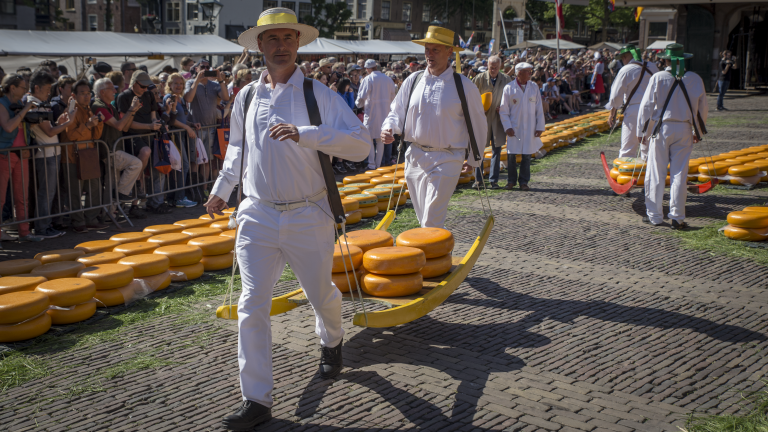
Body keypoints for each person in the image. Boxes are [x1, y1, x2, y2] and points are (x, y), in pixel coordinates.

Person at [204, 8, 370, 430]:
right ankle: (256, 398)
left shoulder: (319, 95)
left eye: (288, 38)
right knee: (251, 304)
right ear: (259, 45)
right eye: (272, 38)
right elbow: (238, 149)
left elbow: (361, 145)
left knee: (321, 295)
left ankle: (332, 340)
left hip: (307, 214)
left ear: (298, 44)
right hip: (256, 214)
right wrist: (221, 190)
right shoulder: (245, 95)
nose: (281, 46)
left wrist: (307, 133)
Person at [381, 26, 486, 228]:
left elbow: (478, 123)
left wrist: (474, 158)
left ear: (449, 52)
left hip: (448, 157)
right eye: (427, 49)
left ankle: (429, 256)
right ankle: (438, 252)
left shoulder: (464, 86)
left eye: (435, 50)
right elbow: (397, 111)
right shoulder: (413, 80)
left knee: (431, 216)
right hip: (415, 157)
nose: (429, 54)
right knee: (424, 217)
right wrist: (389, 128)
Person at [637, 43, 708, 229]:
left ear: (665, 60)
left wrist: (641, 132)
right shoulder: (695, 78)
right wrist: (698, 131)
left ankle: (655, 216)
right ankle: (677, 217)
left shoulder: (658, 77)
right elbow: (703, 108)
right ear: (683, 59)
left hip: (662, 128)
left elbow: (646, 107)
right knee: (679, 174)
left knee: (656, 173)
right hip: (684, 128)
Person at [0, 74, 44, 243]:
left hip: (21, 153)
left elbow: (21, 127)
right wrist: (26, 110)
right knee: (1, 197)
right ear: (12, 87)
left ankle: (24, 232)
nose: (26, 91)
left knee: (22, 196)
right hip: (5, 154)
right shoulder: (2, 104)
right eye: (23, 87)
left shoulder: (18, 104)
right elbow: (9, 127)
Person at [60, 79, 108, 233]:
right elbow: (72, 135)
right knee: (76, 191)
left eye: (88, 93)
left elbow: (96, 136)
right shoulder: (70, 111)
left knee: (95, 187)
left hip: (88, 154)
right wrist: (87, 125)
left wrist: (98, 123)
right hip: (72, 156)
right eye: (82, 94)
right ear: (74, 95)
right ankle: (78, 221)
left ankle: (91, 219)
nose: (87, 96)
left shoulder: (88, 110)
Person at [27, 70, 71, 239]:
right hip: (45, 154)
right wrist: (68, 122)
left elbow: (50, 128)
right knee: (46, 193)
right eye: (46, 89)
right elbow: (50, 131)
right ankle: (42, 227)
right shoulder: (33, 103)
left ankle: (45, 225)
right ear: (37, 87)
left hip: (51, 152)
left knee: (49, 193)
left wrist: (60, 122)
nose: (48, 92)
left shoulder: (38, 102)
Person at [115, 71, 166, 215]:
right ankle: (132, 202)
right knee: (143, 156)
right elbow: (127, 124)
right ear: (134, 83)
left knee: (147, 172)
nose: (145, 90)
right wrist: (149, 126)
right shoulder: (123, 97)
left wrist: (157, 124)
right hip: (131, 137)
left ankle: (139, 205)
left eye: (147, 87)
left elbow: (153, 115)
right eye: (142, 87)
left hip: (149, 135)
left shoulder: (149, 94)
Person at [91, 78, 144, 212]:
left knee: (113, 183)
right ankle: (120, 195)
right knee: (136, 164)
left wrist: (133, 111)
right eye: (111, 88)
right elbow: (119, 126)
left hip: (113, 148)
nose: (115, 91)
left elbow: (124, 128)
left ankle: (111, 213)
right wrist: (131, 109)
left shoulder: (110, 106)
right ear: (102, 92)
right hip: (108, 149)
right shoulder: (99, 106)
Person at [606, 44, 659, 160]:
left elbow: (615, 96)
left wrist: (612, 113)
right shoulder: (653, 67)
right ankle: (647, 175)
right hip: (653, 110)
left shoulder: (626, 69)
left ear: (625, 57)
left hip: (634, 110)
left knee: (628, 149)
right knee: (648, 148)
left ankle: (626, 176)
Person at [498, 62, 545, 191]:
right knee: (512, 155)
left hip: (529, 126)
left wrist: (540, 126)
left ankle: (524, 182)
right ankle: (511, 181)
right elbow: (503, 110)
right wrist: (507, 126)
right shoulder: (509, 88)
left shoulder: (534, 87)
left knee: (527, 155)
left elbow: (539, 108)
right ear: (519, 73)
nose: (531, 74)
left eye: (530, 71)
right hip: (514, 127)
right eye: (528, 71)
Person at [185, 58, 230, 191]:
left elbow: (226, 98)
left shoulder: (214, 84)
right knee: (195, 161)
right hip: (196, 129)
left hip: (210, 129)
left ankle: (204, 190)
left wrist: (220, 80)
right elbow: (188, 98)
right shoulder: (191, 82)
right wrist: (197, 80)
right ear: (196, 69)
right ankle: (194, 190)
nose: (205, 69)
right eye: (202, 67)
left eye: (207, 67)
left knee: (207, 162)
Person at [472, 55, 511, 189]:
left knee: (497, 150)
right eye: (491, 67)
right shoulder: (479, 78)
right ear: (487, 66)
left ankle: (493, 180)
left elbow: (511, 99)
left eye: (495, 67)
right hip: (482, 118)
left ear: (500, 67)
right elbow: (471, 96)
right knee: (479, 150)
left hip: (498, 119)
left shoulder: (506, 79)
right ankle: (478, 180)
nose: (493, 69)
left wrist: (505, 108)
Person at [164, 73, 198, 208]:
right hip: (174, 135)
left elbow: (183, 117)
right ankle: (179, 197)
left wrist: (191, 124)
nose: (178, 86)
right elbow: (172, 119)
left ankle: (176, 197)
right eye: (175, 83)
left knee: (181, 165)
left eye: (181, 83)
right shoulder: (169, 98)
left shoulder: (182, 99)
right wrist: (186, 127)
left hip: (181, 135)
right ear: (169, 85)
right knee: (182, 165)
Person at [356, 59, 397, 170]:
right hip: (385, 113)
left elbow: (362, 96)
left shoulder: (368, 79)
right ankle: (378, 164)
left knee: (369, 138)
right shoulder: (388, 79)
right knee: (380, 140)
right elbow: (393, 97)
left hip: (372, 112)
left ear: (368, 69)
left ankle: (371, 164)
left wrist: (358, 104)